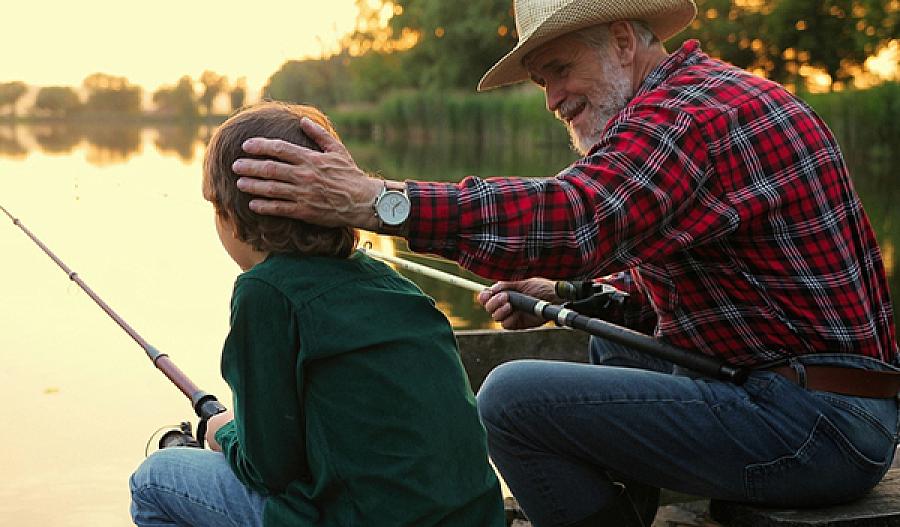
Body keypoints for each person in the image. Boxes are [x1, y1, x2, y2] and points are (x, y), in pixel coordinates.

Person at [228, 0, 900, 525]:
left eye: (558, 69)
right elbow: (678, 270)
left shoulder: (690, 116)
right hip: (817, 404)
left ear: (621, 41)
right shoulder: (693, 102)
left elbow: (582, 216)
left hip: (820, 428)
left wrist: (378, 202)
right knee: (614, 351)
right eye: (542, 78)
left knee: (511, 400)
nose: (551, 96)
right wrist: (567, 292)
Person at [128, 101, 505, 527]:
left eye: (214, 206)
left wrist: (225, 431)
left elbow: (269, 469)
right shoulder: (391, 282)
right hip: (475, 517)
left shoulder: (265, 291)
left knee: (153, 480)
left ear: (232, 215)